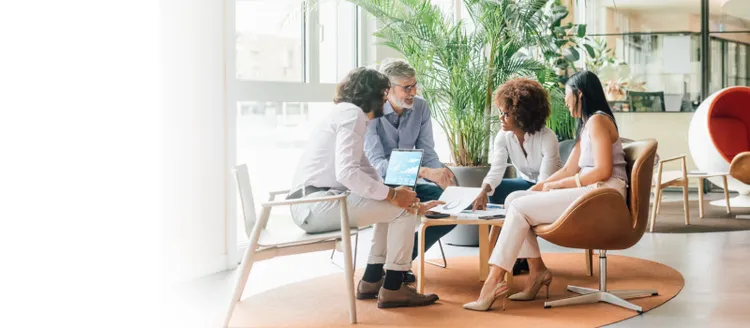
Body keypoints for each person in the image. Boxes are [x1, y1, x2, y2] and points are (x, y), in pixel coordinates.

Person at [463, 71, 629, 311]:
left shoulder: (599, 121)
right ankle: (537, 272)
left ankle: (492, 283)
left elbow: (603, 170)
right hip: (592, 190)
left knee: (519, 206)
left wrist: (556, 185)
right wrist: (541, 187)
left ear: (579, 94)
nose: (566, 100)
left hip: (604, 194)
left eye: (567, 94)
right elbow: (571, 168)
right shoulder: (588, 124)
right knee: (513, 200)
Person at [287, 67, 443, 309]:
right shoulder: (353, 115)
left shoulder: (346, 113)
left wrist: (403, 198)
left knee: (395, 206)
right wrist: (395, 196)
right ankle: (393, 287)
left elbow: (365, 168)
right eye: (384, 92)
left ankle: (371, 280)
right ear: (372, 93)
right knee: (401, 210)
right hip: (316, 206)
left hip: (312, 203)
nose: (386, 97)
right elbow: (347, 173)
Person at [364, 58, 456, 283]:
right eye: (407, 87)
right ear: (387, 90)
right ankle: (395, 268)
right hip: (379, 187)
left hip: (412, 183)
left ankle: (400, 261)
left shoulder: (421, 107)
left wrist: (443, 178)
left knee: (451, 208)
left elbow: (428, 152)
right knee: (403, 202)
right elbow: (378, 166)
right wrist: (424, 172)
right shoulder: (371, 111)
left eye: (414, 85)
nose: (413, 92)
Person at [470, 78, 562, 275]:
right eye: (501, 112)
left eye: (506, 113)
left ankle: (521, 256)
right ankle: (518, 255)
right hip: (527, 183)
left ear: (523, 115)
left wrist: (521, 201)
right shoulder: (503, 137)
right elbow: (497, 169)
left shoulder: (547, 137)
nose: (501, 118)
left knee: (518, 202)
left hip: (551, 189)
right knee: (496, 192)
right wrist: (483, 190)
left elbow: (544, 182)